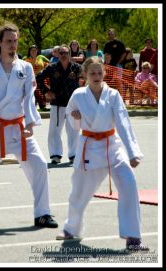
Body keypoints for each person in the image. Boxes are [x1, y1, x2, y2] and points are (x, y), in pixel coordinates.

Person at [0, 22, 58, 228]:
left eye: (15, 41)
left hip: (18, 127)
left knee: (39, 166)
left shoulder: (25, 67)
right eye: (9, 41)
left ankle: (42, 213)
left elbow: (28, 97)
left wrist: (31, 123)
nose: (13, 45)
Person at [56, 56, 148, 251]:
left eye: (99, 72)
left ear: (105, 73)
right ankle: (71, 228)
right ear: (85, 75)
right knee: (79, 192)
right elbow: (71, 122)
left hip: (112, 147)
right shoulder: (78, 95)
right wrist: (76, 119)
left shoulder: (113, 95)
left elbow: (123, 122)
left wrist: (132, 152)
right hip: (88, 147)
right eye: (92, 73)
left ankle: (133, 236)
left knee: (129, 185)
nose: (96, 76)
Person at [36, 45, 81, 164]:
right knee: (55, 130)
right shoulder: (52, 68)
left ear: (70, 54)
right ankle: (55, 154)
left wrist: (83, 90)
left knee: (73, 129)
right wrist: (47, 91)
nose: (63, 55)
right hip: (57, 103)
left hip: (73, 103)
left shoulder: (76, 68)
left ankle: (74, 154)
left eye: (66, 53)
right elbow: (38, 78)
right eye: (61, 53)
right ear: (57, 55)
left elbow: (88, 77)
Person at [22, 44, 50, 111]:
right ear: (29, 51)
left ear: (37, 51)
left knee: (41, 92)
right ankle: (31, 107)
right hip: (30, 79)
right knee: (32, 93)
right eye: (32, 50)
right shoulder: (25, 59)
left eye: (35, 50)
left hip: (41, 78)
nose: (34, 52)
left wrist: (45, 68)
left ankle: (42, 107)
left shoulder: (40, 57)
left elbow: (49, 63)